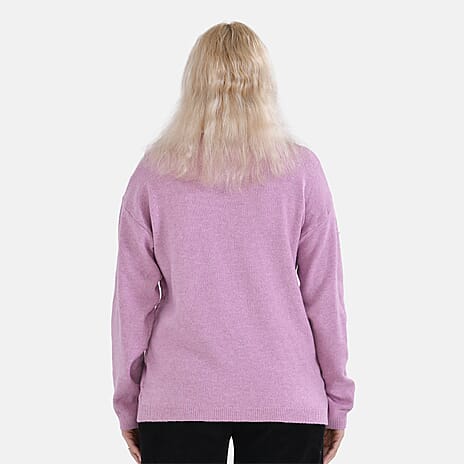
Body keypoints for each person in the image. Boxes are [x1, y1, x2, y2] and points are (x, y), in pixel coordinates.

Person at [111, 21, 355, 464]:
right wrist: (337, 399)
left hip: (178, 398)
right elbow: (325, 298)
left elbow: (131, 305)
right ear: (265, 84)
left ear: (193, 83)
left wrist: (128, 402)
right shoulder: (302, 172)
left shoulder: (153, 175)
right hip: (286, 395)